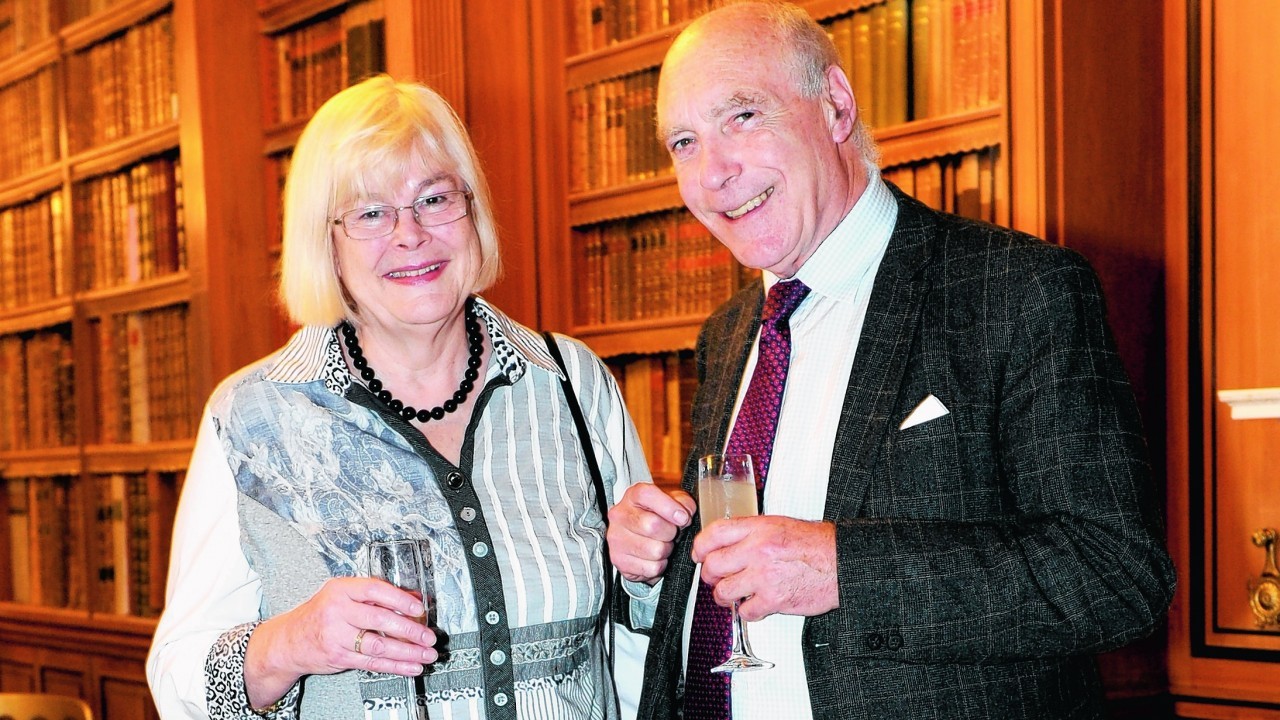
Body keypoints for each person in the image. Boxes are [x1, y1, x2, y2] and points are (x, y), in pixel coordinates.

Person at [606, 2, 1177, 719]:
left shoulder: (1017, 290)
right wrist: (655, 564)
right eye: (683, 142)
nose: (713, 172)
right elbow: (736, 584)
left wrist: (846, 571)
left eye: (742, 117)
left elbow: (1115, 574)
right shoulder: (726, 336)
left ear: (836, 106)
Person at [147, 75, 650, 720]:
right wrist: (293, 645)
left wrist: (650, 569)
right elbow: (178, 681)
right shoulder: (254, 417)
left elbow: (638, 641)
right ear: (323, 241)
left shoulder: (571, 383)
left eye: (434, 199)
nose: (410, 234)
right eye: (370, 213)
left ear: (472, 212)